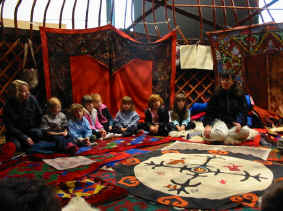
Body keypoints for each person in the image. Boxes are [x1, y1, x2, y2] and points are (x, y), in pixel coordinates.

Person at [203, 71, 256, 145]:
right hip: (220, 121)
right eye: (223, 80)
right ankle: (207, 135)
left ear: (233, 81)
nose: (224, 82)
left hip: (233, 124)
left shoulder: (239, 94)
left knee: (246, 132)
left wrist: (240, 123)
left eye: (227, 80)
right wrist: (207, 125)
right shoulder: (217, 94)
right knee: (221, 134)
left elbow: (243, 111)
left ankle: (222, 137)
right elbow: (209, 111)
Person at [3, 80, 43, 151]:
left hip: (29, 130)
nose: (27, 93)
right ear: (15, 93)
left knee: (38, 133)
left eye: (27, 90)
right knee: (17, 146)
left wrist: (36, 127)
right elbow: (10, 127)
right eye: (23, 91)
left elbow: (39, 115)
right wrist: (24, 137)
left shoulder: (32, 99)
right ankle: (25, 143)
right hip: (15, 133)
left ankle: (27, 143)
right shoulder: (8, 106)